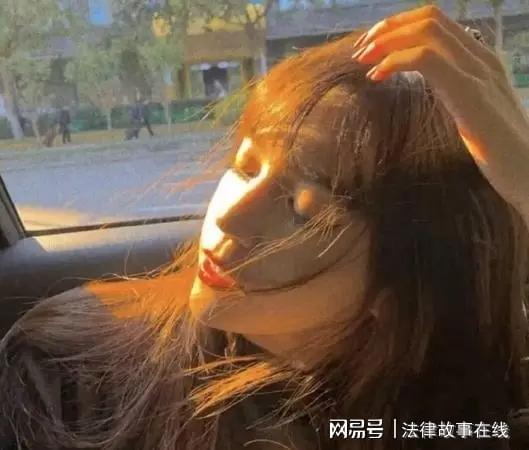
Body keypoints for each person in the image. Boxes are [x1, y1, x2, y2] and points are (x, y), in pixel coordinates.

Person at [2, 5, 529, 449]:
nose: (230, 215)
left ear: (405, 285)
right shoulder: (67, 370)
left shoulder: (461, 413)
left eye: (304, 208)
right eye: (246, 166)